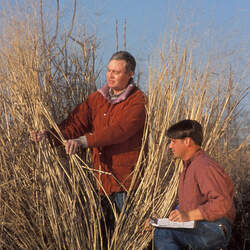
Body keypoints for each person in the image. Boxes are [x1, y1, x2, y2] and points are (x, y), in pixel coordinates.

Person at [32, 51, 146, 232]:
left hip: (126, 182)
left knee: (128, 233)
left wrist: (83, 141)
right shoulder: (97, 98)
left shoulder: (138, 101)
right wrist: (50, 136)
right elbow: (75, 124)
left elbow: (119, 131)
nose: (110, 75)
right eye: (109, 70)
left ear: (130, 74)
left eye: (116, 72)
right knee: (103, 236)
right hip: (101, 181)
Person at [149, 119, 235, 250]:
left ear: (187, 141)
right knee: (160, 230)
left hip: (215, 228)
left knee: (164, 233)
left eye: (173, 141)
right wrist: (158, 222)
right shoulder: (188, 167)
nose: (170, 146)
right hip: (201, 226)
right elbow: (188, 206)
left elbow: (222, 203)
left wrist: (188, 216)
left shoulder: (204, 166)